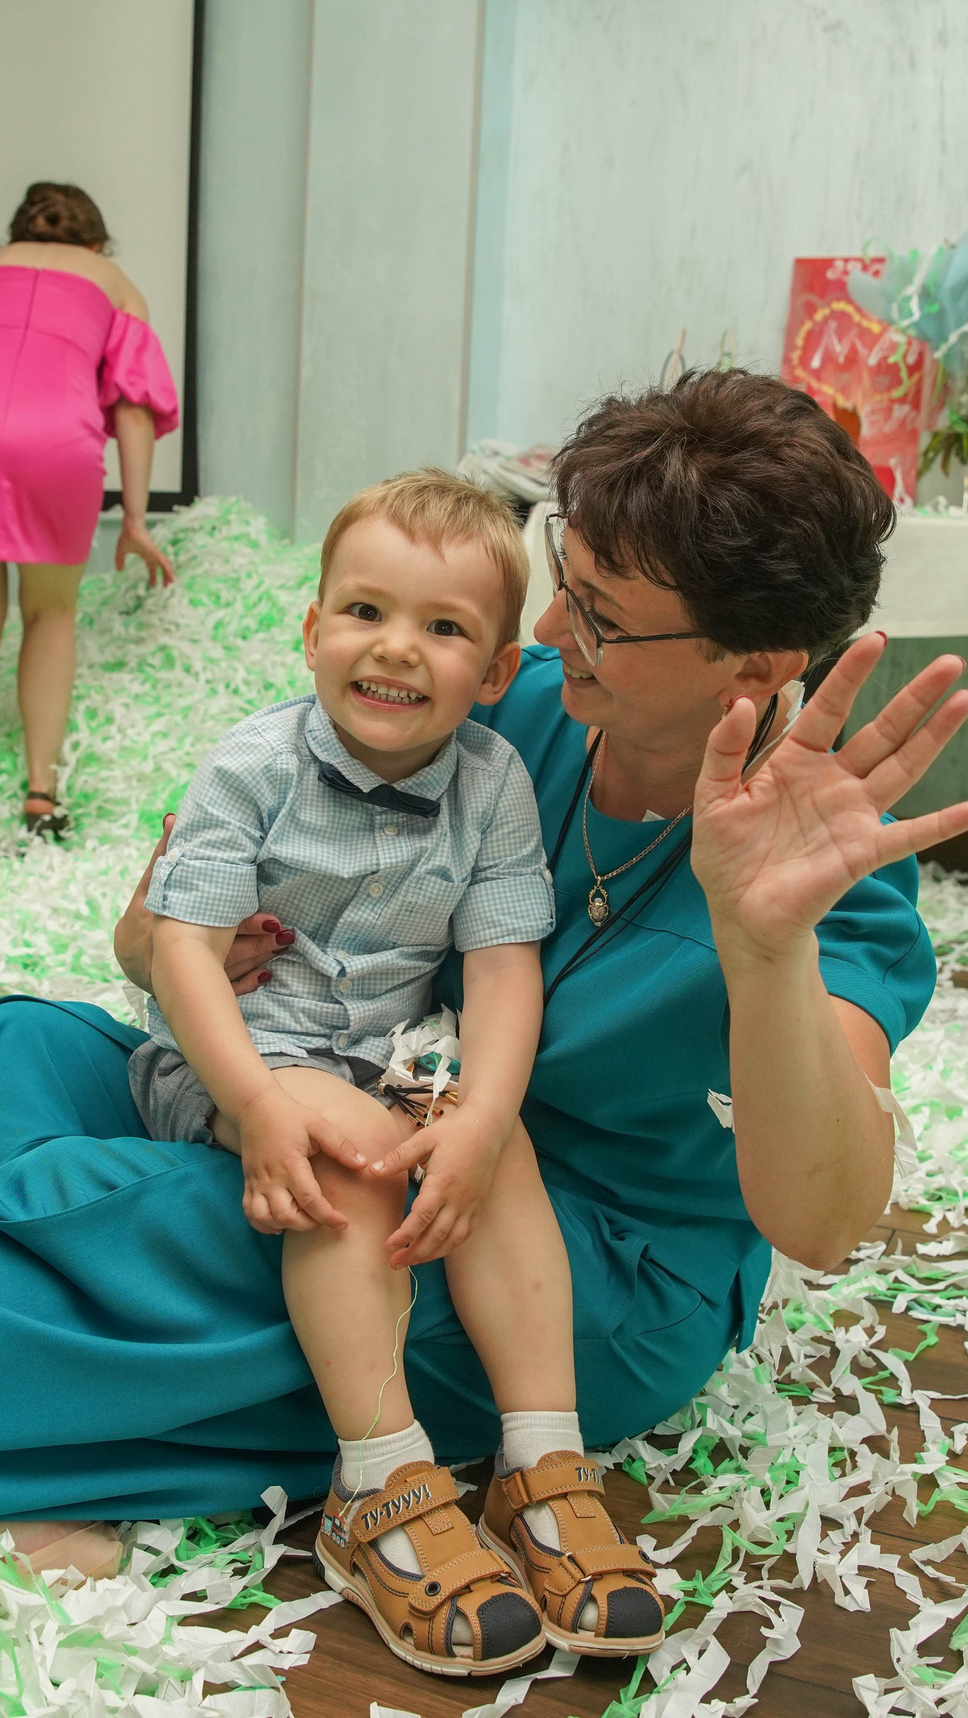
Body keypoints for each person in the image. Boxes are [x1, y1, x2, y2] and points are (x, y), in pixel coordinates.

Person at [0, 370, 968, 1712]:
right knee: (13, 1053)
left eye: (605, 614)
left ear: (755, 664)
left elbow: (829, 1217)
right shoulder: (510, 701)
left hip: (562, 1262)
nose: (556, 626)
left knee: (94, 1225)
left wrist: (763, 944)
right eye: (563, 575)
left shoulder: (815, 857)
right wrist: (206, 977)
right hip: (359, 1108)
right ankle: (47, 1455)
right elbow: (157, 934)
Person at [138, 469, 664, 1673]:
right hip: (232, 1056)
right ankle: (377, 1482)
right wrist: (255, 1104)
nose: (395, 651)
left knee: (488, 1141)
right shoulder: (249, 765)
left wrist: (482, 1115)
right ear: (311, 627)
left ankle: (542, 1460)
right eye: (365, 612)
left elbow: (503, 970)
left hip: (390, 1052)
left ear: (492, 673)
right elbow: (179, 954)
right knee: (360, 1154)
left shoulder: (494, 784)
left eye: (442, 628)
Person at [0, 182, 180, 838]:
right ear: (95, 242)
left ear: (17, 235)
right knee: (50, 613)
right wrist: (135, 519)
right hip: (52, 434)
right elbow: (133, 408)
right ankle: (41, 791)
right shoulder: (116, 282)